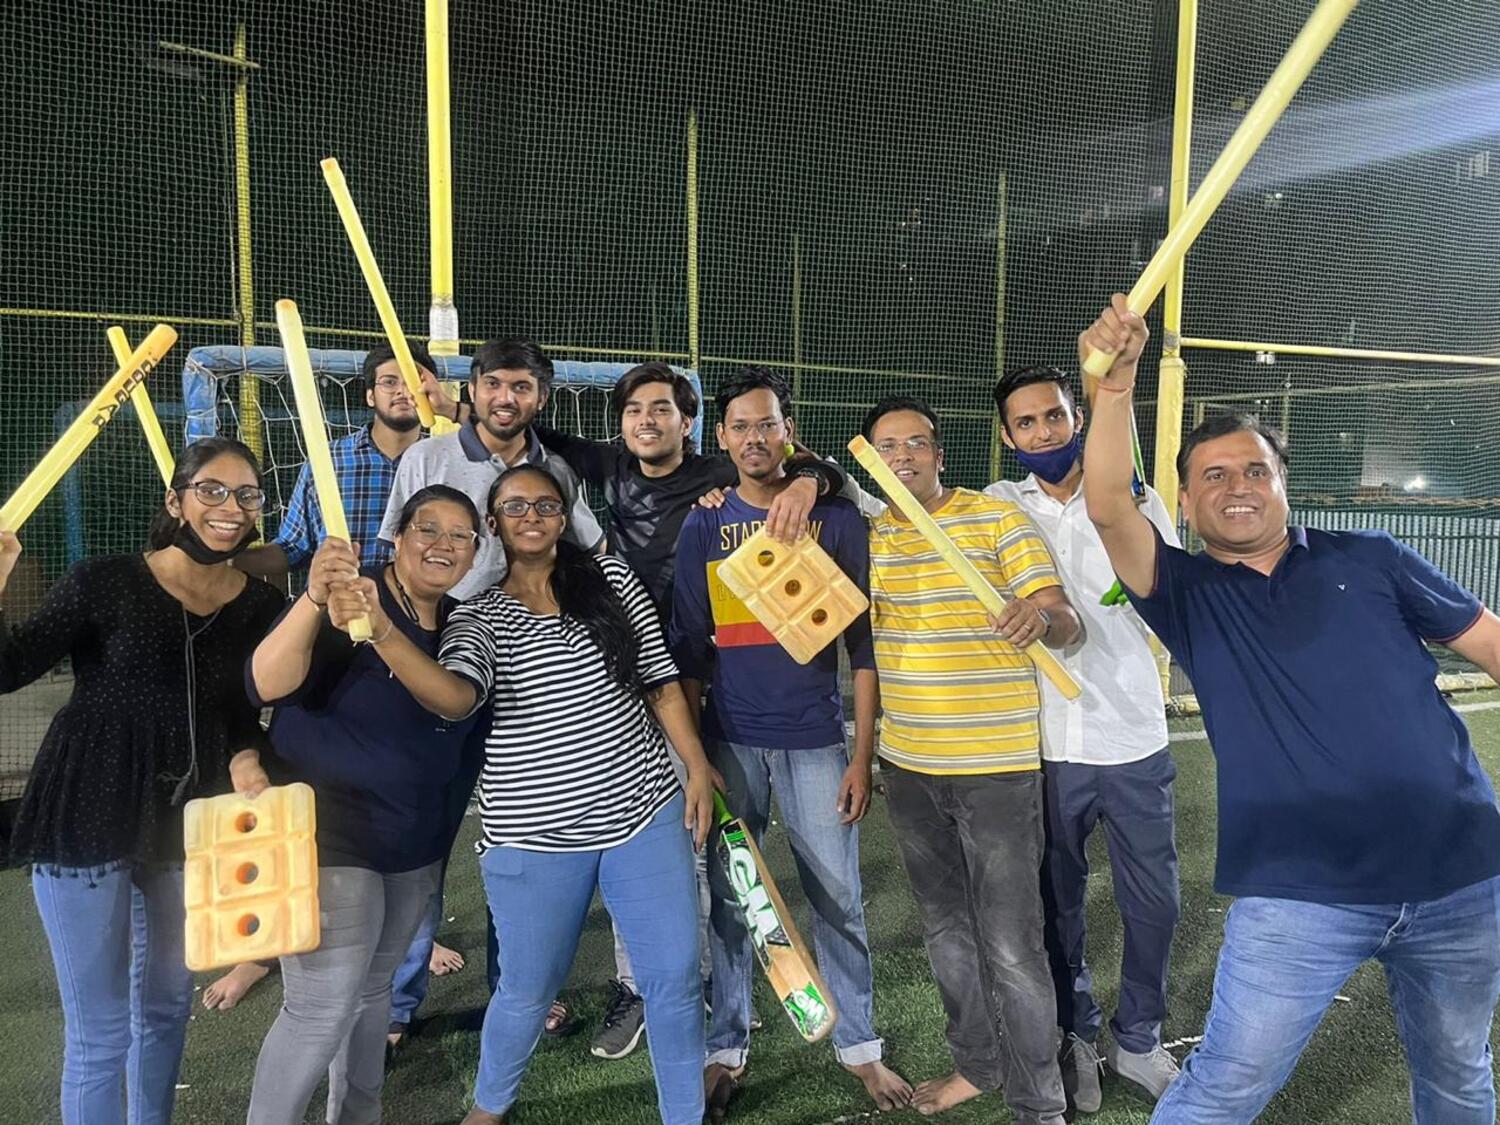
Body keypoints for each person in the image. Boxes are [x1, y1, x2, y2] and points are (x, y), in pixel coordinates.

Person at [1079, 293, 1500, 1124]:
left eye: (1255, 470)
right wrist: (1117, 385)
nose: (1238, 486)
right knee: (1226, 1086)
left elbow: (1490, 641)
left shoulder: (1372, 556)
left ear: (1283, 484)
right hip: (1299, 896)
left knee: (1459, 1073)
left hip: (1462, 876)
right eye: (1214, 476)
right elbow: (1108, 505)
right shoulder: (1185, 590)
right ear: (1186, 502)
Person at [327, 463, 716, 1125]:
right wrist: (383, 631)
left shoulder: (612, 580)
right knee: (528, 989)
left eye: (545, 505)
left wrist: (697, 767)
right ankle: (488, 1108)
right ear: (493, 524)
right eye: (514, 507)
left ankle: (685, 1114)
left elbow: (658, 678)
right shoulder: (478, 615)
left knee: (674, 978)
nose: (531, 516)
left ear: (564, 518)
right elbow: (455, 698)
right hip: (534, 837)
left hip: (644, 812)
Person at [527, 360, 844, 1057]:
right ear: (620, 423)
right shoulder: (610, 466)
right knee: (634, 834)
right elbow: (533, 432)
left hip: (701, 681)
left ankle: (706, 986)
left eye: (662, 408)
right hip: (624, 678)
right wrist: (457, 404)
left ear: (691, 422)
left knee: (707, 840)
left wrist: (807, 480)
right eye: (634, 409)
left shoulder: (720, 473)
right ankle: (639, 987)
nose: (647, 420)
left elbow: (815, 467)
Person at [0, 436, 284, 1125]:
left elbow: (241, 710)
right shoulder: (102, 580)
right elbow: (9, 669)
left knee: (165, 1007)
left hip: (189, 824)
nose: (230, 507)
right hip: (85, 808)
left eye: (246, 494)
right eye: (212, 489)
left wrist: (247, 754)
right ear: (176, 500)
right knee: (100, 1033)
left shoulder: (259, 605)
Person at [670, 368, 911, 1116]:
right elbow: (688, 648)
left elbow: (863, 649)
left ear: (788, 431)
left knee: (838, 897)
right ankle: (726, 1046)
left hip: (816, 743)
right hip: (730, 743)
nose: (754, 438)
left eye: (767, 424)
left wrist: (861, 754)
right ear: (720, 437)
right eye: (740, 426)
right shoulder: (704, 524)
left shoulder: (834, 519)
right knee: (733, 900)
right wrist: (696, 760)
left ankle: (860, 1046)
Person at [862, 395, 1080, 1125]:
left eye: (916, 443)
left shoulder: (996, 519)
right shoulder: (868, 538)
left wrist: (1040, 617)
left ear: (940, 453)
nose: (902, 456)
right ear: (871, 461)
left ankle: (1039, 1104)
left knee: (1012, 944)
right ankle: (977, 1065)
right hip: (908, 767)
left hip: (995, 768)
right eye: (886, 447)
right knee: (946, 931)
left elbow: (1065, 617)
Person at [242, 485, 487, 1124]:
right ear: (397, 537)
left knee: (375, 992)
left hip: (414, 841)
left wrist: (381, 631)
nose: (442, 545)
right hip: (328, 835)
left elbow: (457, 703)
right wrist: (312, 600)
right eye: (427, 529)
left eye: (459, 536)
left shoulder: (462, 622)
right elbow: (264, 684)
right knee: (320, 1007)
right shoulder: (349, 594)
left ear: (474, 552)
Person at [986, 365, 1183, 1110]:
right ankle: (1075, 1033)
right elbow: (899, 504)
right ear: (1007, 437)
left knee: (1154, 904)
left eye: (1056, 416)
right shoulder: (997, 505)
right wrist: (812, 479)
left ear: (1079, 419)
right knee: (1054, 905)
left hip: (1133, 737)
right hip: (1040, 744)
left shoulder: (1139, 502)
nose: (1044, 432)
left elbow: (1171, 598)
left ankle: (1139, 1039)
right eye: (1026, 422)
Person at [382, 336, 602, 601]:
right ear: (473, 390)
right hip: (443, 617)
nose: (505, 398)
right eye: (492, 384)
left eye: (521, 387)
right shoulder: (424, 458)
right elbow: (396, 553)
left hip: (530, 620)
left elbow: (593, 548)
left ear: (542, 398)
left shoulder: (556, 470)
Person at [238, 339, 433, 576]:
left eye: (413, 382)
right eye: (389, 382)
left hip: (418, 600)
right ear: (370, 396)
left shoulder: (442, 463)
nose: (403, 391)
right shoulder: (328, 460)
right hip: (338, 597)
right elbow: (292, 548)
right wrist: (224, 562)